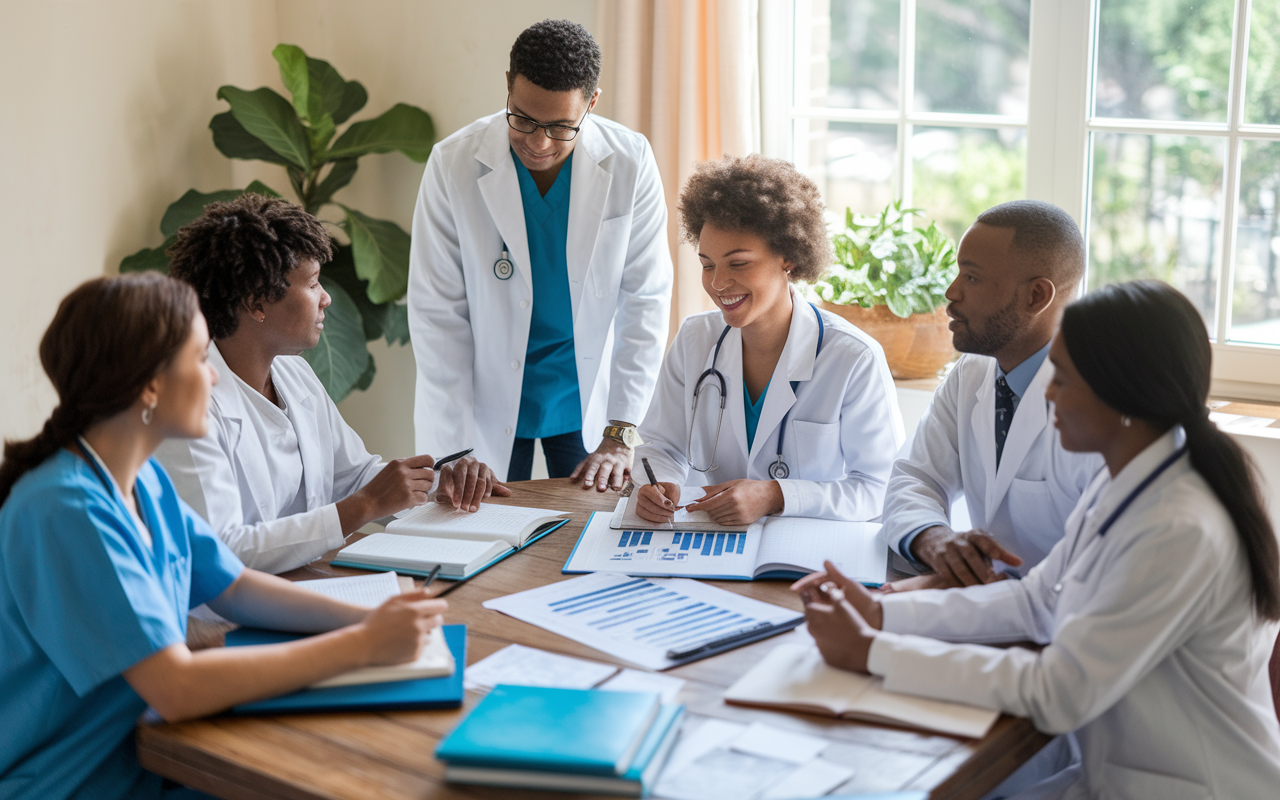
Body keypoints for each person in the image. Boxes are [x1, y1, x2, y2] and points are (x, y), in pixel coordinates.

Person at [795, 280, 1280, 799]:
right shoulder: (1129, 482)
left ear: (1123, 395)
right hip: (1118, 777)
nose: (1046, 393)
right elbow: (1035, 599)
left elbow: (1057, 691)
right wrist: (880, 614)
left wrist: (873, 653)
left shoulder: (1177, 527)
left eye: (1063, 379)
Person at [0, 274, 446, 800]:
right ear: (148, 385)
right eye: (198, 358)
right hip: (75, 783)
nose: (213, 376)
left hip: (145, 760)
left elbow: (233, 587)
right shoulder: (65, 509)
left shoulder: (142, 481)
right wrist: (361, 645)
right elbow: (177, 687)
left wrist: (373, 618)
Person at [156, 195, 507, 574]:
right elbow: (222, 551)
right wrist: (365, 506)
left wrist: (438, 483)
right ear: (257, 303)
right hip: (226, 618)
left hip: (311, 577)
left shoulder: (293, 372)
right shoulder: (187, 407)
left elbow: (353, 475)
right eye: (312, 284)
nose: (326, 298)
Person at [408, 19, 672, 487]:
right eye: (523, 119)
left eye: (560, 127)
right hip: (482, 401)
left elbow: (645, 301)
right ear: (508, 86)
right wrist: (454, 449)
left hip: (583, 399)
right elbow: (437, 314)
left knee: (587, 534)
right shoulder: (453, 164)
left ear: (591, 103)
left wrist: (620, 431)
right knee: (478, 535)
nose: (538, 142)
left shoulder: (630, 161)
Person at [633, 155, 903, 526]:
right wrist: (660, 482)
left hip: (808, 554)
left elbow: (880, 487)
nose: (717, 283)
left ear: (788, 258)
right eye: (707, 264)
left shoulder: (853, 358)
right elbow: (662, 445)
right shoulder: (695, 340)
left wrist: (776, 495)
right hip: (714, 540)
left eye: (739, 263)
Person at [880, 200, 1102, 587]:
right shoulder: (975, 370)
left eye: (972, 278)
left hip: (1063, 623)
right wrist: (934, 539)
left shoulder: (1097, 404)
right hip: (994, 610)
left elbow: (1092, 577)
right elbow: (916, 476)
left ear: (1036, 297)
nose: (950, 293)